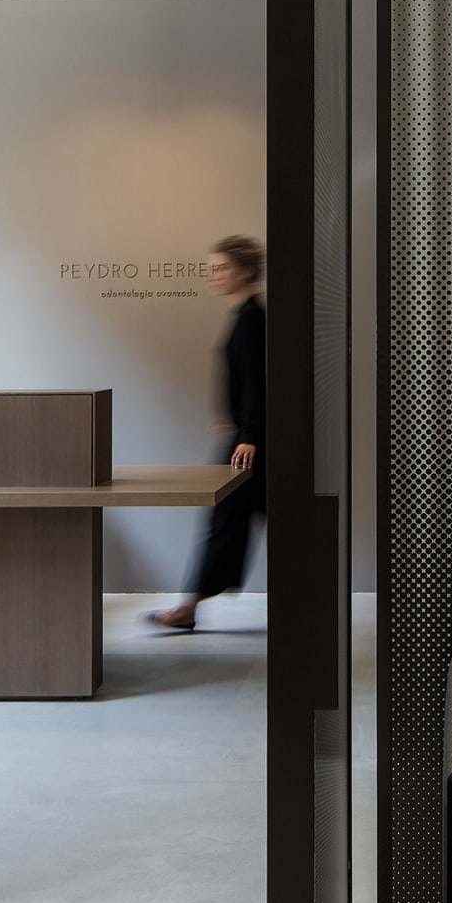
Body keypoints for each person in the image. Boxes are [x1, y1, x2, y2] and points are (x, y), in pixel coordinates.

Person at [145, 236, 266, 631]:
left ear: (245, 270)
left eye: (222, 267)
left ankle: (188, 608)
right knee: (230, 520)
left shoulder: (251, 318)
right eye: (212, 268)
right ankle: (190, 605)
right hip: (249, 435)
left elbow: (259, 381)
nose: (214, 275)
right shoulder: (246, 314)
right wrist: (234, 419)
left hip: (252, 442)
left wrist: (248, 434)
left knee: (225, 519)